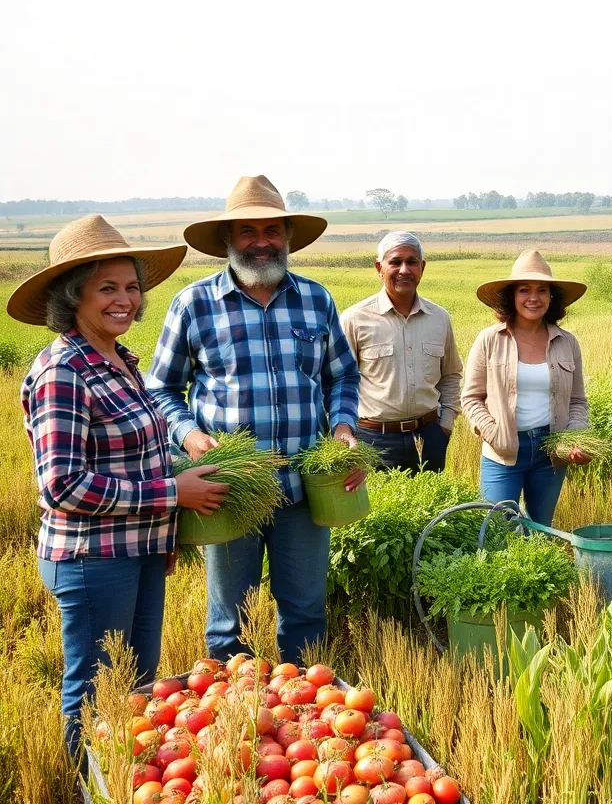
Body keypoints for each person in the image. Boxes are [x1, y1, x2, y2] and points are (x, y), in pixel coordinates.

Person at [9, 215, 228, 753]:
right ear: (72, 297)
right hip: (92, 558)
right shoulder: (64, 370)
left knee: (134, 685)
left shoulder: (119, 361)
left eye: (132, 287)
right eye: (107, 288)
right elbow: (63, 484)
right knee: (96, 688)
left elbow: (140, 458)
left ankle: (120, 776)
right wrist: (173, 494)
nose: (125, 299)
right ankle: (88, 780)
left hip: (139, 549)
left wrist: (165, 529)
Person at [147, 175, 363, 664]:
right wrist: (192, 435)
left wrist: (345, 427)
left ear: (287, 237)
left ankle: (301, 714)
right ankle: (233, 723)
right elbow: (159, 388)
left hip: (303, 489)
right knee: (229, 621)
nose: (261, 241)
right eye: (248, 231)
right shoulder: (194, 304)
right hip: (228, 491)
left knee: (306, 612)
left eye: (272, 230)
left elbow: (343, 378)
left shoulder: (316, 299)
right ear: (228, 240)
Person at [461, 250, 591, 526]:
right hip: (503, 452)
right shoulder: (489, 340)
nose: (534, 297)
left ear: (551, 297)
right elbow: (471, 398)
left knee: (541, 529)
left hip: (550, 451)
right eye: (524, 290)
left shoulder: (567, 342)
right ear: (512, 296)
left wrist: (573, 437)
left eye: (542, 290)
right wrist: (495, 433)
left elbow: (577, 401)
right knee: (498, 529)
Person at [340, 231, 462, 473]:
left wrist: (444, 426)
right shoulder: (355, 319)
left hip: (430, 436)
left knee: (432, 508)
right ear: (379, 267)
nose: (404, 270)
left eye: (412, 262)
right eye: (395, 262)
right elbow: (339, 382)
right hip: (372, 441)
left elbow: (451, 376)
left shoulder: (439, 318)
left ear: (422, 267)